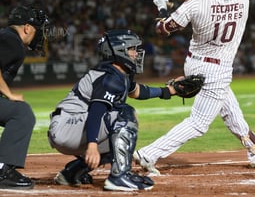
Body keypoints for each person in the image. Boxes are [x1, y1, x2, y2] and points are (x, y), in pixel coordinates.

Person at [133, 0, 255, 177]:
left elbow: (162, 29)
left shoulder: (196, 5)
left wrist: (162, 5)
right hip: (218, 69)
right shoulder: (244, 0)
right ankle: (149, 154)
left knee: (231, 111)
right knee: (199, 124)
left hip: (194, 64)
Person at [47, 29, 181, 191]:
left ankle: (71, 173)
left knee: (119, 145)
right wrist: (92, 145)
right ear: (119, 51)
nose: (136, 53)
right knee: (125, 114)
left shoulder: (117, 73)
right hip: (68, 126)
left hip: (68, 126)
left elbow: (137, 91)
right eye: (132, 49)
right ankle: (119, 177)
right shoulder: (110, 76)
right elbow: (97, 110)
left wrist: (167, 91)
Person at [0, 5, 50, 190]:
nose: (40, 35)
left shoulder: (5, 36)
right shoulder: (12, 41)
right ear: (27, 28)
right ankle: (2, 170)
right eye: (38, 29)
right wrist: (9, 94)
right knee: (22, 113)